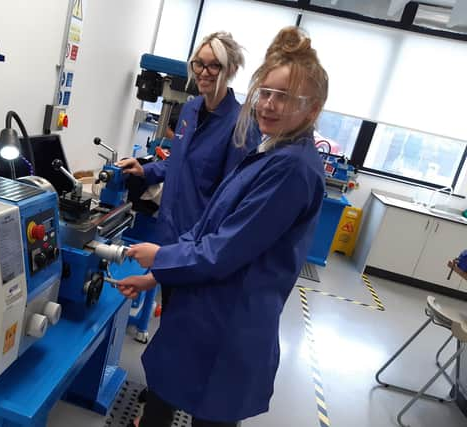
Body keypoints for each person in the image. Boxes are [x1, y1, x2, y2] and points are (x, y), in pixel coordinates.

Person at [117, 26, 328, 427]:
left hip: (227, 320)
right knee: (163, 389)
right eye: (264, 92)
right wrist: (157, 271)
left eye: (283, 97)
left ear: (312, 109)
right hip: (201, 295)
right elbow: (216, 213)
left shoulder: (289, 169)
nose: (267, 104)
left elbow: (223, 248)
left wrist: (162, 258)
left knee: (210, 412)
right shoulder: (268, 150)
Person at [117, 31, 249, 313]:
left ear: (232, 70)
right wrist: (145, 169)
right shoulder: (190, 109)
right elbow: (177, 163)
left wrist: (195, 252)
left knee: (185, 323)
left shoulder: (240, 125)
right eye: (199, 64)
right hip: (169, 232)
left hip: (199, 247)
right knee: (171, 313)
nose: (204, 72)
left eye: (214, 65)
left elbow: (232, 201)